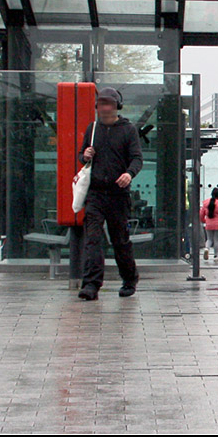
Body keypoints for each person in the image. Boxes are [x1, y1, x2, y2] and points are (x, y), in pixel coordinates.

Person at [76, 87, 142, 301]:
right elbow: (81, 156)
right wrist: (84, 155)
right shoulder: (92, 128)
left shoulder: (128, 130)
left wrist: (129, 174)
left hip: (118, 193)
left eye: (109, 104)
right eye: (101, 104)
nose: (104, 109)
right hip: (95, 193)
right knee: (93, 239)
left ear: (116, 106)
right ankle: (91, 284)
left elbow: (137, 158)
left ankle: (129, 279)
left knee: (119, 239)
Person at [200, 187, 218, 260]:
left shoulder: (205, 203)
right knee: (216, 240)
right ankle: (215, 256)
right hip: (217, 226)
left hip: (208, 224)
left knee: (209, 239)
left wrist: (204, 220)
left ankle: (206, 249)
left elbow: (201, 214)